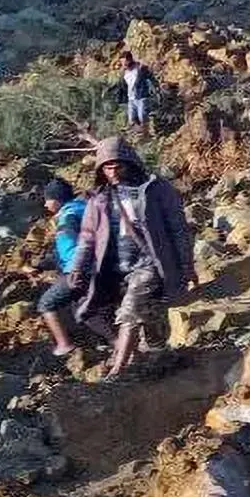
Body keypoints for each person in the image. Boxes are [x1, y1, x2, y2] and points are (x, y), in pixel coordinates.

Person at [66, 137, 195, 379]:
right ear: (101, 169)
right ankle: (159, 352)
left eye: (118, 166)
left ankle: (119, 369)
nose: (113, 172)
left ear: (130, 163)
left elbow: (178, 229)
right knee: (148, 312)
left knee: (130, 310)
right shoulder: (99, 200)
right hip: (115, 269)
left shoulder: (155, 190)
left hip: (150, 263)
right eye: (107, 167)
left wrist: (187, 266)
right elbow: (87, 238)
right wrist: (78, 268)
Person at [35, 177, 110, 357]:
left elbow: (70, 248)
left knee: (46, 304)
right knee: (83, 310)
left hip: (80, 270)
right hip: (102, 266)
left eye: (47, 199)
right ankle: (113, 342)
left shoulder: (68, 217)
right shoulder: (84, 210)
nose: (45, 204)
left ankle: (64, 345)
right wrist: (42, 265)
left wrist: (73, 270)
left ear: (57, 199)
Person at [115, 51, 158, 135]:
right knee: (132, 120)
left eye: (125, 62)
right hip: (131, 99)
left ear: (130, 60)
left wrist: (156, 88)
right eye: (122, 62)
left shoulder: (140, 69)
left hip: (142, 97)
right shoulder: (124, 73)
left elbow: (151, 78)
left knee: (142, 117)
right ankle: (140, 133)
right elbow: (122, 86)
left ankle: (147, 133)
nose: (123, 64)